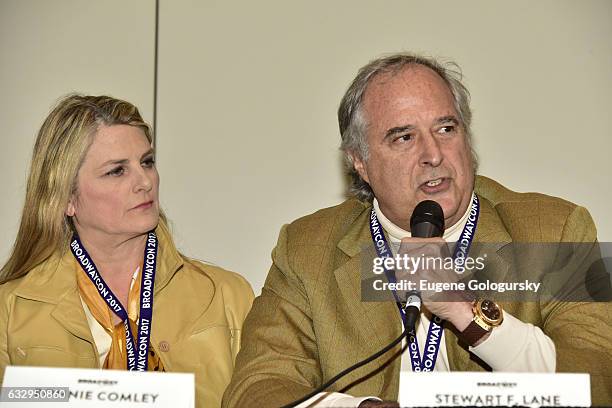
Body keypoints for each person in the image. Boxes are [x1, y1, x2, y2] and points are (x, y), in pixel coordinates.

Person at [223, 53, 612, 407]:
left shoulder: (555, 227)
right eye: (404, 137)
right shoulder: (307, 249)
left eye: (446, 129)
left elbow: (597, 385)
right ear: (360, 161)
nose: (433, 155)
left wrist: (466, 312)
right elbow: (256, 388)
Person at [0, 94, 254, 408]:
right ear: (67, 198)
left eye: (146, 162)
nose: (145, 181)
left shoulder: (227, 296)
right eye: (117, 171)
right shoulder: (10, 311)